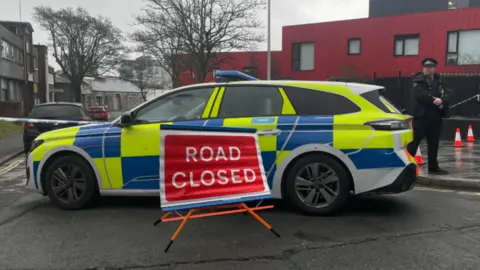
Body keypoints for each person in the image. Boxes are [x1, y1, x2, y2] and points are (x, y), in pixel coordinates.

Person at [407, 58, 450, 175]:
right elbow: (419, 95)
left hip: (436, 116)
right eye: (426, 67)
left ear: (434, 68)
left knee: (434, 143)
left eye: (430, 67)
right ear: (422, 68)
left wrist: (442, 100)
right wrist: (433, 100)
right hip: (421, 116)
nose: (428, 69)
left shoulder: (440, 81)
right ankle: (407, 167)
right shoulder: (417, 80)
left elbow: (448, 93)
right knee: (414, 143)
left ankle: (433, 167)